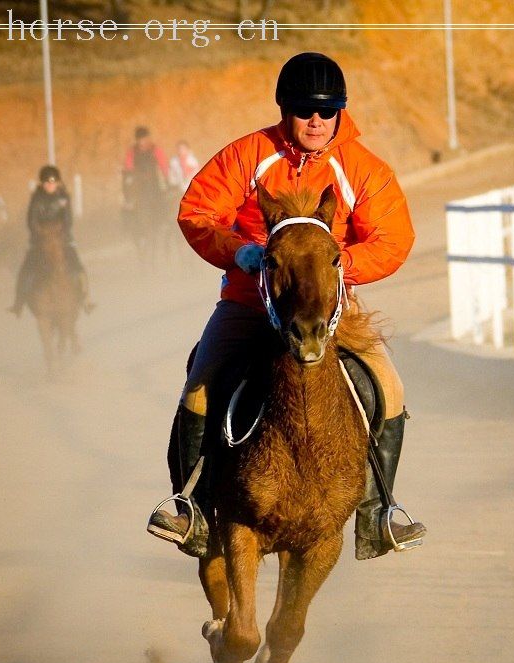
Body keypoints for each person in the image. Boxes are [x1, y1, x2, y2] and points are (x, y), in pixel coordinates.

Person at [147, 52, 427, 561]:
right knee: (200, 385)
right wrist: (242, 253)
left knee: (389, 388)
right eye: (303, 110)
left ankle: (377, 511)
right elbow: (198, 212)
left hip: (327, 307)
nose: (316, 121)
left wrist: (336, 264)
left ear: (341, 110)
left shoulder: (362, 169)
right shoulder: (248, 154)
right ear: (285, 109)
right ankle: (187, 505)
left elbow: (393, 238)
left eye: (327, 110)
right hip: (248, 301)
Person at [8, 165, 95, 316]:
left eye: (53, 182)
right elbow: (31, 221)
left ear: (58, 183)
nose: (50, 185)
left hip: (63, 241)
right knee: (25, 271)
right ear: (42, 184)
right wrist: (41, 234)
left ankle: (86, 300)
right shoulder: (36, 200)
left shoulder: (63, 198)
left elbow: (68, 220)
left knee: (79, 269)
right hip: (40, 242)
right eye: (47, 183)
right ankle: (18, 304)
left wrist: (59, 233)